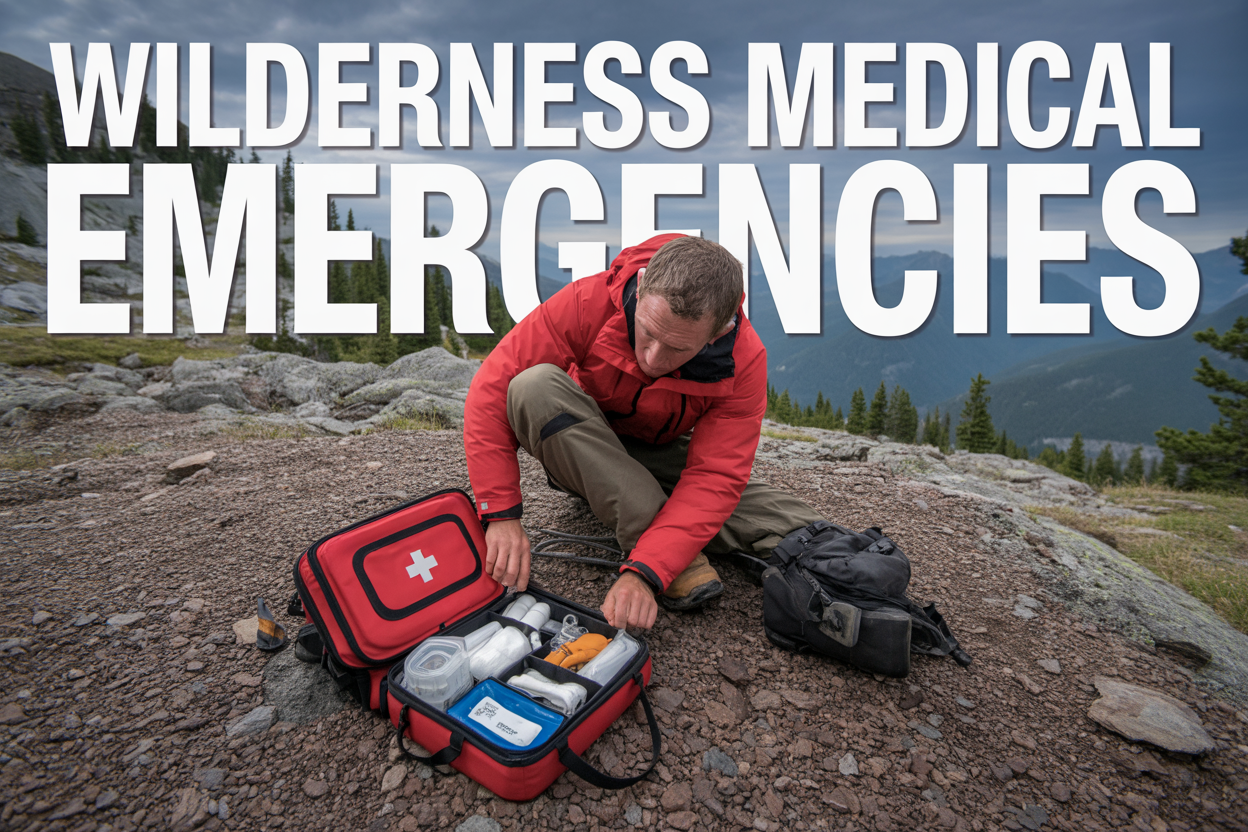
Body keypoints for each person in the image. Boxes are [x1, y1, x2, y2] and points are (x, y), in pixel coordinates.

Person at [463, 233, 824, 629]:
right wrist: (500, 514)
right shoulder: (589, 301)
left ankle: (829, 569)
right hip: (578, 439)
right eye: (648, 332)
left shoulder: (743, 359)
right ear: (643, 283)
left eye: (677, 349)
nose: (653, 358)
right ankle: (670, 552)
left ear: (718, 332)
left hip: (661, 446)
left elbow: (715, 474)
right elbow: (491, 391)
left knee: (790, 521)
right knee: (532, 386)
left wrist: (645, 570)